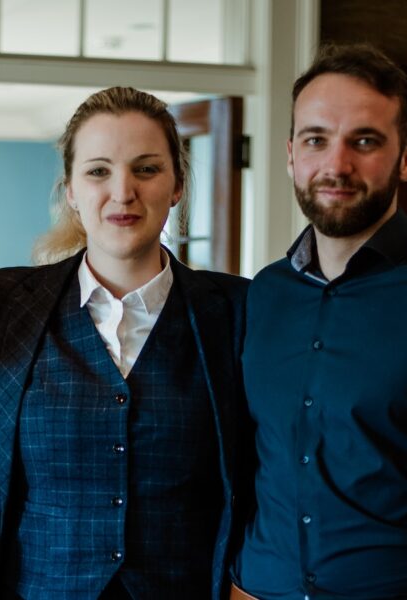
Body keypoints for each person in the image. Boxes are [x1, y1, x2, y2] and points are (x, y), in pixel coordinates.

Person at [0, 87, 249, 599]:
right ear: (70, 189)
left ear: (177, 185)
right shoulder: (3, 302)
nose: (123, 191)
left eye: (147, 169)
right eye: (98, 171)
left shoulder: (236, 310)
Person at [231, 44, 407, 600]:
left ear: (404, 156)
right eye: (316, 139)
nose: (336, 165)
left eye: (364, 141)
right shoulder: (264, 294)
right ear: (289, 155)